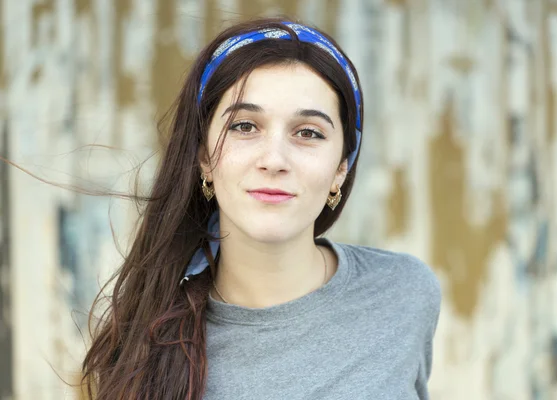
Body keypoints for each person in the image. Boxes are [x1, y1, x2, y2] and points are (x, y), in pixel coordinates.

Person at [81, 17, 441, 399]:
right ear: (204, 156)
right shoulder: (144, 343)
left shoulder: (404, 292)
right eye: (245, 126)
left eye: (308, 133)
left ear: (341, 168)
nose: (274, 159)